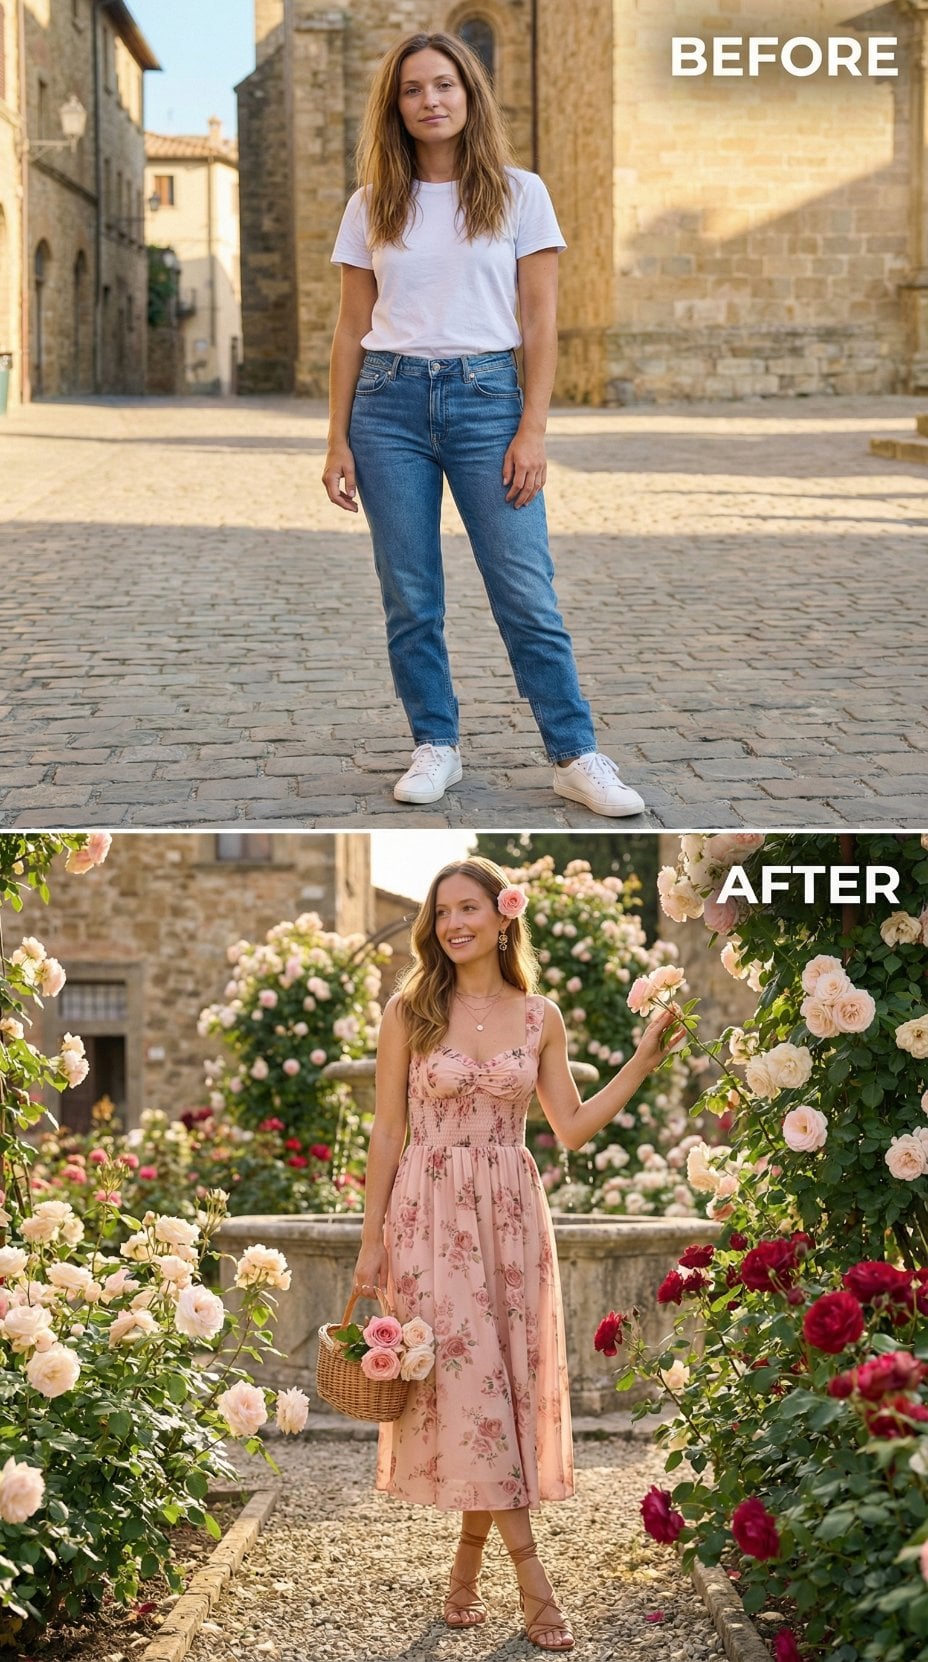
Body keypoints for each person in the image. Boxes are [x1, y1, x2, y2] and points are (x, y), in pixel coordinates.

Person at [351, 857, 680, 1651]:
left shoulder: (540, 1017)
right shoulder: (410, 1009)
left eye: (469, 908)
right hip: (428, 1220)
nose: (453, 924)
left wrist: (639, 1062)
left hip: (510, 1218)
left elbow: (567, 1126)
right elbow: (388, 1132)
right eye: (442, 913)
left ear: (505, 916)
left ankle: (466, 1574)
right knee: (474, 1389)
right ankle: (537, 1590)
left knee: (494, 1393)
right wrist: (371, 1246)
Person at [323, 31, 646, 819]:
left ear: (469, 95)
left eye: (444, 85)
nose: (430, 100)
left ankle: (574, 753)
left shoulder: (518, 193)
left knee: (525, 591)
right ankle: (435, 742)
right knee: (410, 593)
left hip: (487, 402)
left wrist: (532, 429)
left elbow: (541, 323)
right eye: (412, 90)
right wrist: (335, 437)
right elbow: (348, 327)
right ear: (394, 107)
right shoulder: (371, 204)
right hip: (388, 407)